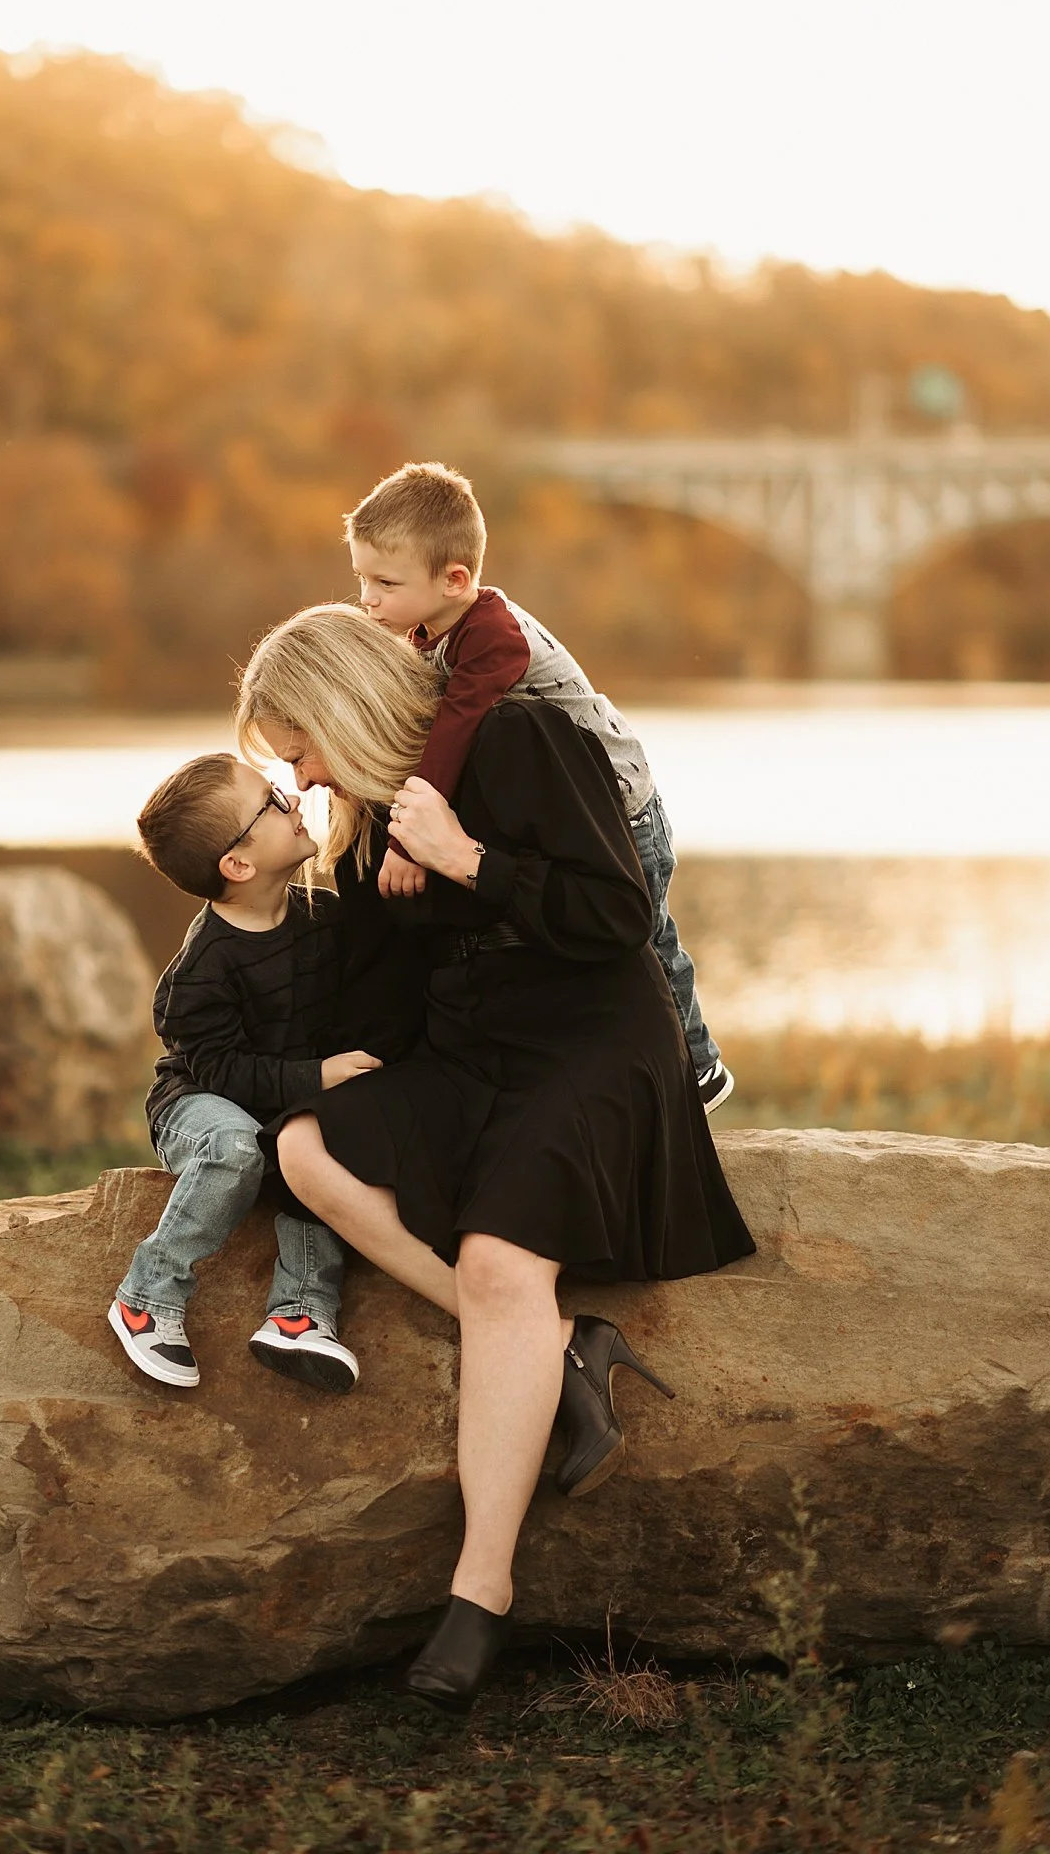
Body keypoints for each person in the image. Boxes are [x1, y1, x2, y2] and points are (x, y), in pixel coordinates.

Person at [236, 605, 755, 1706]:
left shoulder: (520, 738)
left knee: (498, 1258)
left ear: (342, 708)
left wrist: (466, 857)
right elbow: (388, 1007)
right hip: (475, 1057)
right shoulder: (369, 825)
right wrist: (271, 960)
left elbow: (619, 914)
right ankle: (569, 1346)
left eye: (300, 750)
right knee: (307, 1148)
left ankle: (482, 1590)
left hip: (591, 1047)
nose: (305, 778)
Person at [345, 460, 734, 1113]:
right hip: (574, 809)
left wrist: (413, 838)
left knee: (644, 933)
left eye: (384, 583)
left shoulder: (493, 637)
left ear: (455, 579)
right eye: (361, 579)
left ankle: (698, 1065)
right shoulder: (425, 630)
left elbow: (454, 731)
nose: (367, 598)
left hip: (622, 805)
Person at [107, 751, 380, 1395]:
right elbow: (223, 1071)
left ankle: (298, 1317)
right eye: (272, 801)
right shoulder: (202, 971)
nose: (293, 797)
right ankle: (147, 1296)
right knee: (235, 1148)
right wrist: (316, 1077)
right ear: (238, 863)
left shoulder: (322, 917)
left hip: (281, 1101)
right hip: (200, 1100)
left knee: (318, 1150)